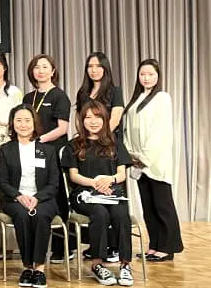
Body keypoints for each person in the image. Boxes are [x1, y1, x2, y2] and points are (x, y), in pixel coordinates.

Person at [62, 101, 134, 286]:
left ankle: (125, 265)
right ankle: (97, 264)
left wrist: (109, 180)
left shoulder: (115, 143)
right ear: (82, 120)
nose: (93, 121)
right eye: (88, 117)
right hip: (84, 194)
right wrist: (95, 183)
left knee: (121, 215)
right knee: (100, 214)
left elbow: (121, 174)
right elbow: (74, 176)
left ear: (105, 119)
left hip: (111, 192)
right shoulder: (73, 145)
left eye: (97, 117)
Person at [0, 104, 59, 288]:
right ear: (12, 124)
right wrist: (19, 196)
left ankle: (39, 269)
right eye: (19, 120)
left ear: (34, 123)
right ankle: (27, 267)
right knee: (22, 216)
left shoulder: (48, 150)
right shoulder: (6, 150)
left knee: (40, 215)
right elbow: (2, 182)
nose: (23, 125)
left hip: (43, 199)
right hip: (15, 199)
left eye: (27, 120)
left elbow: (54, 183)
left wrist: (37, 198)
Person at [123, 59, 182, 262]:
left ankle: (167, 247)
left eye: (151, 74)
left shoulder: (162, 98)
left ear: (158, 76)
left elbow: (160, 132)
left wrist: (144, 157)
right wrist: (131, 154)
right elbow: (128, 129)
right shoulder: (137, 99)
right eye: (142, 74)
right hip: (138, 162)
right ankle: (154, 245)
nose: (146, 78)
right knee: (148, 207)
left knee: (162, 205)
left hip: (155, 162)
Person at [23, 54, 73, 264]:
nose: (41, 71)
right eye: (37, 67)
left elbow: (63, 128)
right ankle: (36, 247)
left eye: (45, 67)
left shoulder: (59, 96)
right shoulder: (28, 98)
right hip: (31, 152)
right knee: (35, 193)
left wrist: (39, 140)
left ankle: (62, 248)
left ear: (53, 71)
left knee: (58, 197)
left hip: (53, 152)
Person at [75, 52, 124, 140]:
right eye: (90, 66)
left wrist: (99, 138)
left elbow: (115, 119)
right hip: (87, 140)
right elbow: (78, 119)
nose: (94, 70)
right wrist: (85, 137)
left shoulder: (115, 91)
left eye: (98, 66)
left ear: (105, 68)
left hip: (109, 140)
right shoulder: (82, 93)